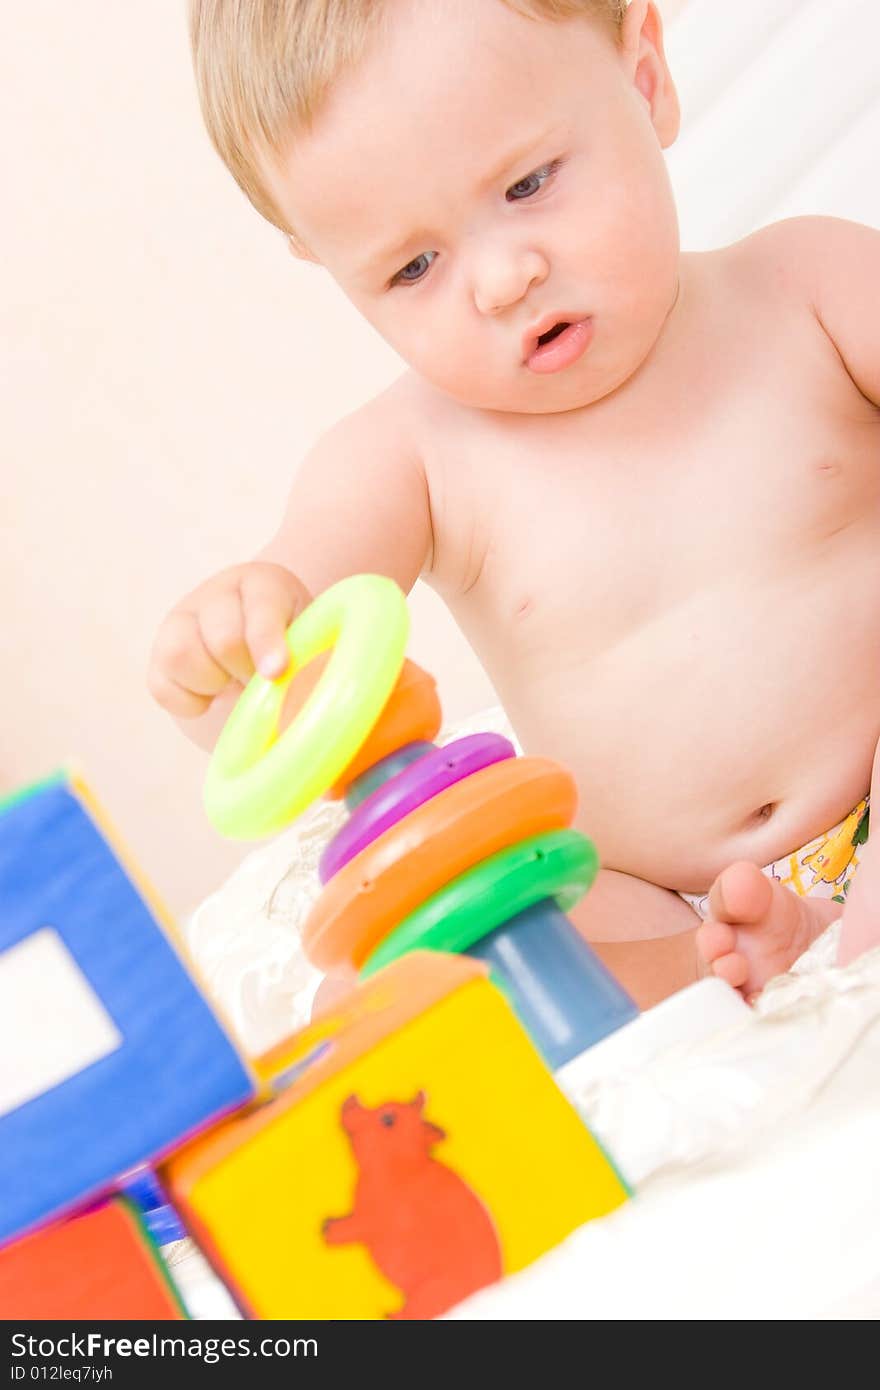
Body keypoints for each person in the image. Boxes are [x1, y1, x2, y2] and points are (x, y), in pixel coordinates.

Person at [148, 0, 880, 1008]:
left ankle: (829, 935)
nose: (499, 279)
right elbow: (294, 649)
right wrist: (235, 657)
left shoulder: (811, 287)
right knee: (412, 967)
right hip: (650, 891)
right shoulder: (405, 458)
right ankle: (721, 964)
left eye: (527, 184)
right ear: (332, 269)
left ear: (645, 79)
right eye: (411, 267)